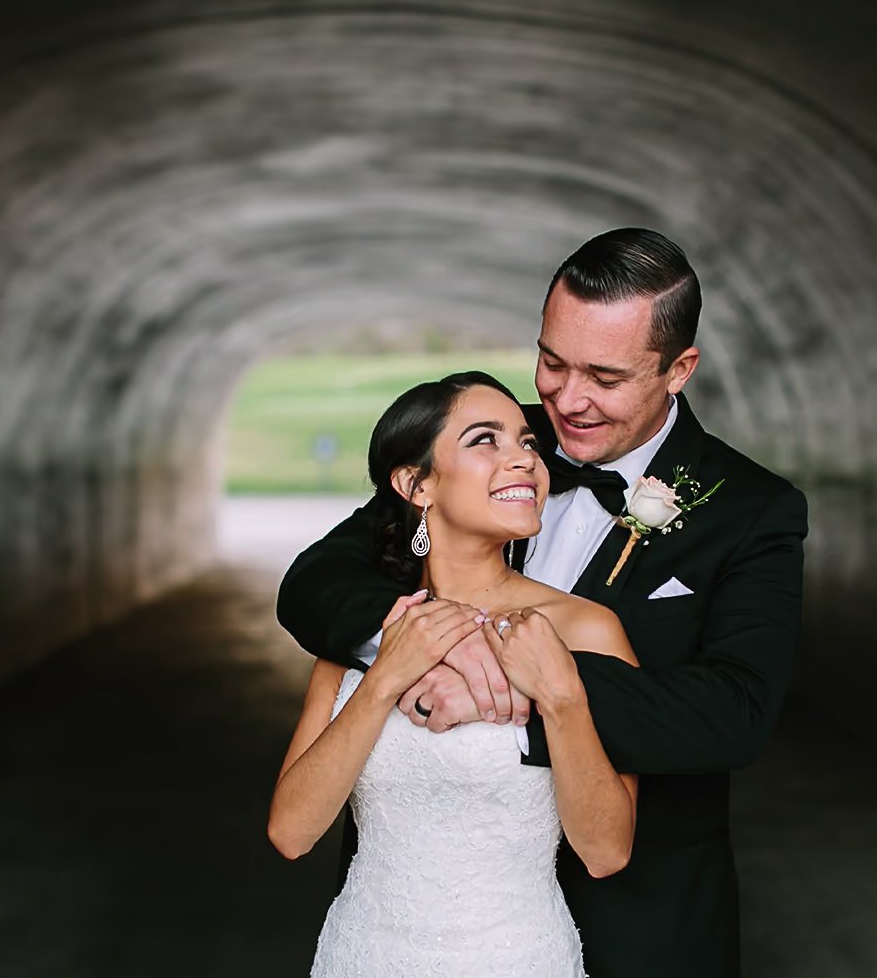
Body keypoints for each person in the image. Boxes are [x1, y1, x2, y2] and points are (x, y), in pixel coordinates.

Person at [275, 228, 808, 978]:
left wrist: (530, 675)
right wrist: (431, 642)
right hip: (408, 923)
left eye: (605, 375)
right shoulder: (488, 445)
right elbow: (316, 583)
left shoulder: (752, 509)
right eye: (552, 361)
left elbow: (736, 711)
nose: (568, 398)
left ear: (679, 369)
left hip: (636, 917)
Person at [269, 372, 639, 977]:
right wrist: (388, 676)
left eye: (526, 442)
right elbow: (291, 832)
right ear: (416, 484)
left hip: (517, 958)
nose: (523, 460)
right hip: (366, 954)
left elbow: (606, 852)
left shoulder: (587, 630)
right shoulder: (363, 628)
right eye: (485, 440)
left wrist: (563, 696)